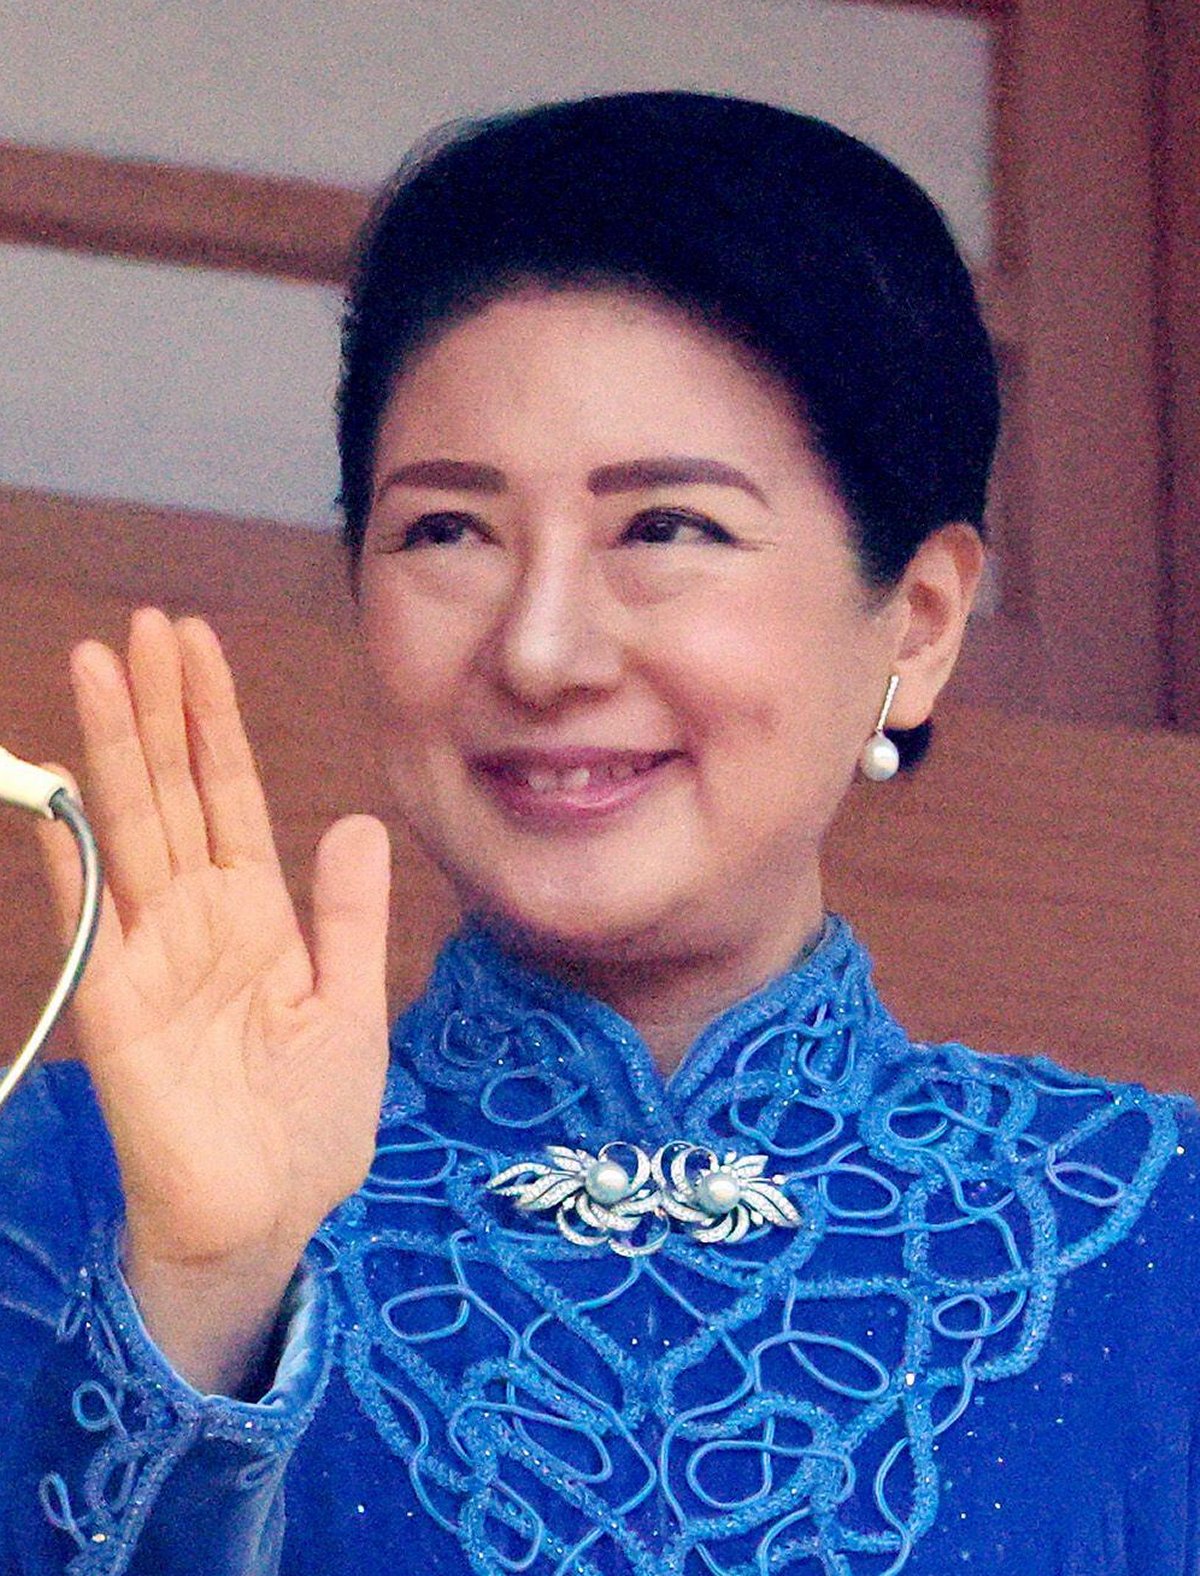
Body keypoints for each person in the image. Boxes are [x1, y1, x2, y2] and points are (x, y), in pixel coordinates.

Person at [0, 90, 1196, 1576]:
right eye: (449, 532)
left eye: (665, 529)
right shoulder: (60, 1183)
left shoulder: (1159, 1238)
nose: (543, 650)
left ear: (923, 622)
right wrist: (200, 1297)